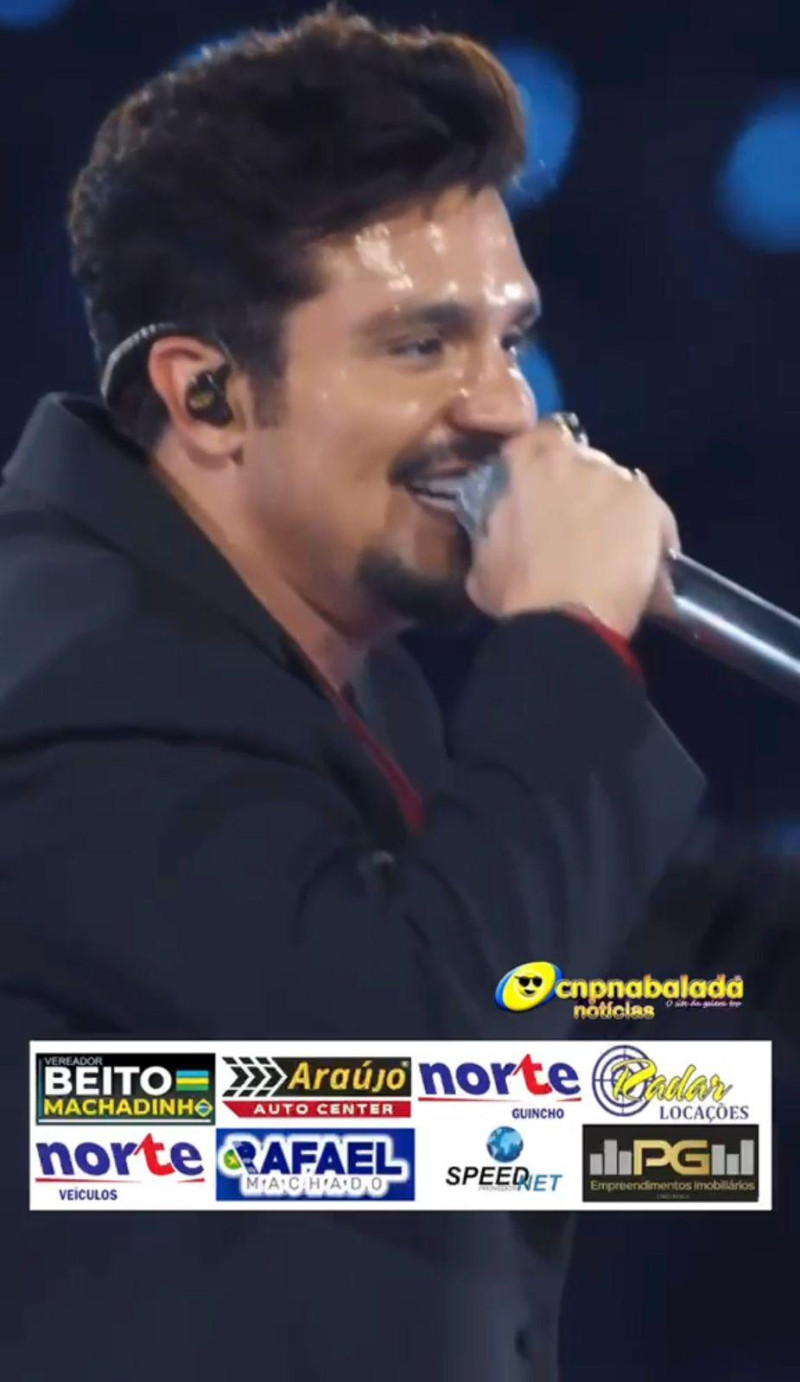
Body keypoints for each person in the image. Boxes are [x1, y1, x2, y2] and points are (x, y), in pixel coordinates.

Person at [0, 11, 705, 1380]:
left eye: (509, 340)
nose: (506, 410)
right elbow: (411, 1087)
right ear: (208, 394)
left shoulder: (314, 665)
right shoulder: (66, 676)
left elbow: (281, 1130)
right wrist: (569, 637)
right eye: (421, 345)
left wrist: (730, 1111)